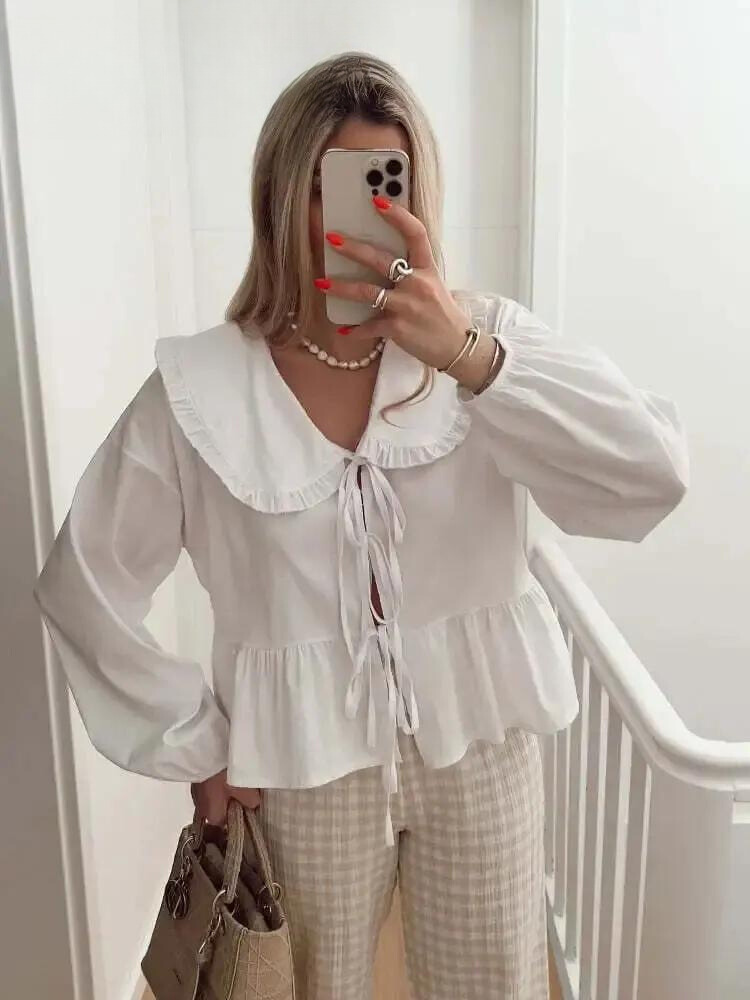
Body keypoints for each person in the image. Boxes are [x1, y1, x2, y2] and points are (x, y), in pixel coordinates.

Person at [33, 51, 689, 1000]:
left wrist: (469, 356)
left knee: (493, 985)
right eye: (329, 187)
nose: (358, 218)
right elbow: (82, 584)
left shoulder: (485, 342)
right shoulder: (199, 389)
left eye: (389, 185)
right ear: (279, 197)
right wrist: (196, 745)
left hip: (480, 740)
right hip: (301, 768)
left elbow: (650, 473)